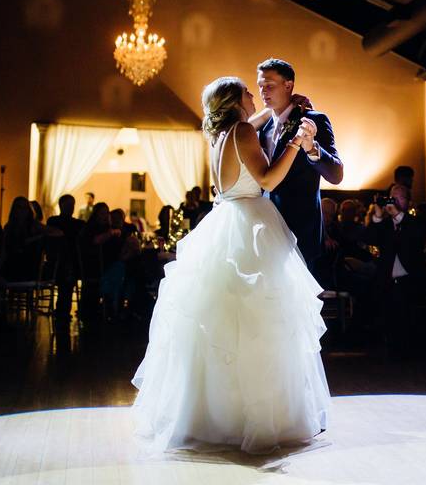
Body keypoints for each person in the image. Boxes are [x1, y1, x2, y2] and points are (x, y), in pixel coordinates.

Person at [132, 76, 330, 454]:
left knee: (220, 326)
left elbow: (249, 127)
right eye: (248, 92)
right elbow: (268, 177)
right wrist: (293, 143)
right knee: (261, 324)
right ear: (236, 100)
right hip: (251, 226)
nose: (255, 96)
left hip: (225, 223)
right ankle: (256, 417)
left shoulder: (221, 135)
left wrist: (273, 114)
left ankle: (212, 415)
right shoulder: (241, 131)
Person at [253, 58, 344, 269]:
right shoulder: (263, 126)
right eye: (260, 86)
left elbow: (336, 174)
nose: (263, 91)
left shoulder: (314, 119)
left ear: (288, 85)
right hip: (266, 231)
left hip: (301, 231)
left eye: (270, 85)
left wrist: (312, 148)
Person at [365, 184, 426, 354]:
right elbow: (371, 239)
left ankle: (405, 348)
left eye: (400, 197)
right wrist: (378, 216)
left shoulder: (417, 222)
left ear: (409, 202)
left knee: (400, 299)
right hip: (386, 279)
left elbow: (415, 238)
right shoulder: (385, 224)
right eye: (392, 196)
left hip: (411, 279)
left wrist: (396, 213)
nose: (394, 200)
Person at [46, 194, 85, 319]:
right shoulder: (54, 221)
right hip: (58, 262)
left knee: (68, 270)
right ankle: (63, 311)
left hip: (70, 263)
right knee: (68, 270)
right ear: (61, 205)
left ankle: (62, 310)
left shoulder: (78, 224)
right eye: (68, 205)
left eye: (72, 205)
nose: (70, 207)